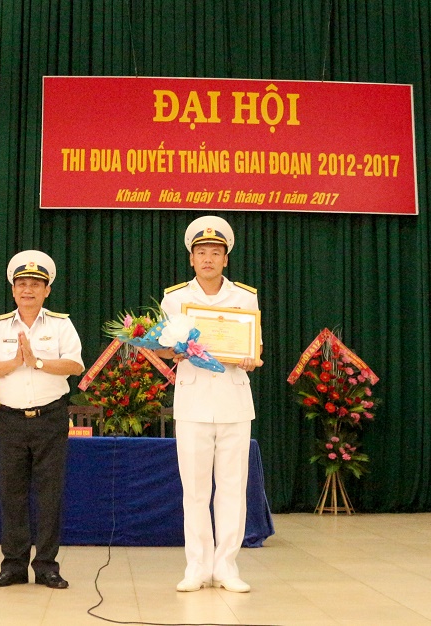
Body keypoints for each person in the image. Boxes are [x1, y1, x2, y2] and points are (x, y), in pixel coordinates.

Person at [157, 216, 263, 594]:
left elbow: (256, 346)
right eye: (201, 252)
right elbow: (162, 348)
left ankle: (227, 567)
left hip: (234, 399)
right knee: (195, 491)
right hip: (193, 400)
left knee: (233, 488)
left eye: (215, 252)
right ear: (191, 258)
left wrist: (250, 357)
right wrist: (174, 349)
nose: (208, 258)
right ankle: (197, 567)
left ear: (225, 258)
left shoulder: (244, 297)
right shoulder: (175, 298)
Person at [0, 251, 84, 590]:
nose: (28, 290)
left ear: (47, 290)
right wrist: (14, 361)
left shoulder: (60, 324)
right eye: (22, 284)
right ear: (13, 290)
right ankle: (13, 565)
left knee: (50, 494)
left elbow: (75, 365)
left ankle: (47, 566)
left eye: (35, 284)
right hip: (10, 419)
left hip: (50, 417)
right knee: (11, 494)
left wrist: (36, 362)